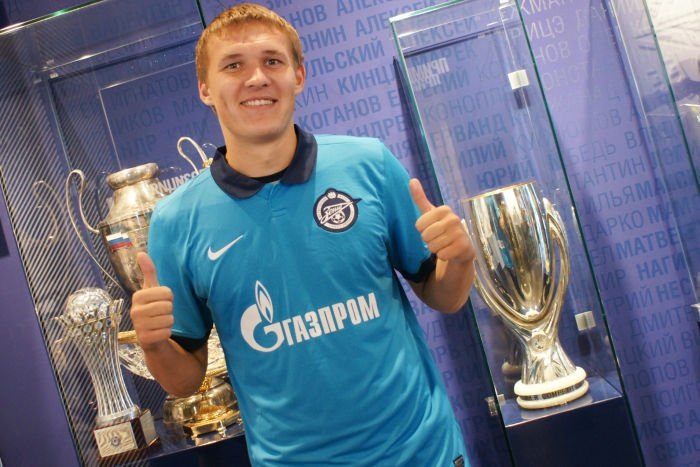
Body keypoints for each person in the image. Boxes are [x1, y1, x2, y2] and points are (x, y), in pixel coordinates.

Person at [131, 3, 476, 466]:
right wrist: (154, 345)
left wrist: (461, 260)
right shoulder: (175, 221)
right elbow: (185, 380)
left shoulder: (369, 164)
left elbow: (444, 296)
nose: (256, 78)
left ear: (298, 76)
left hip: (421, 452)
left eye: (272, 61)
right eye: (233, 65)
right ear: (205, 88)